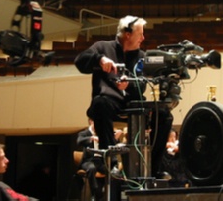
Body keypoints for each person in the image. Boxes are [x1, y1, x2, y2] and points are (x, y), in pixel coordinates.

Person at [74, 15, 173, 178]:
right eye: (140, 34)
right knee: (100, 103)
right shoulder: (102, 47)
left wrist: (129, 85)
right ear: (128, 34)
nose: (143, 37)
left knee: (164, 115)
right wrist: (99, 59)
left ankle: (153, 167)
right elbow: (79, 61)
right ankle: (110, 162)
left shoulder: (141, 56)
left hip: (133, 103)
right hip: (109, 103)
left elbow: (141, 86)